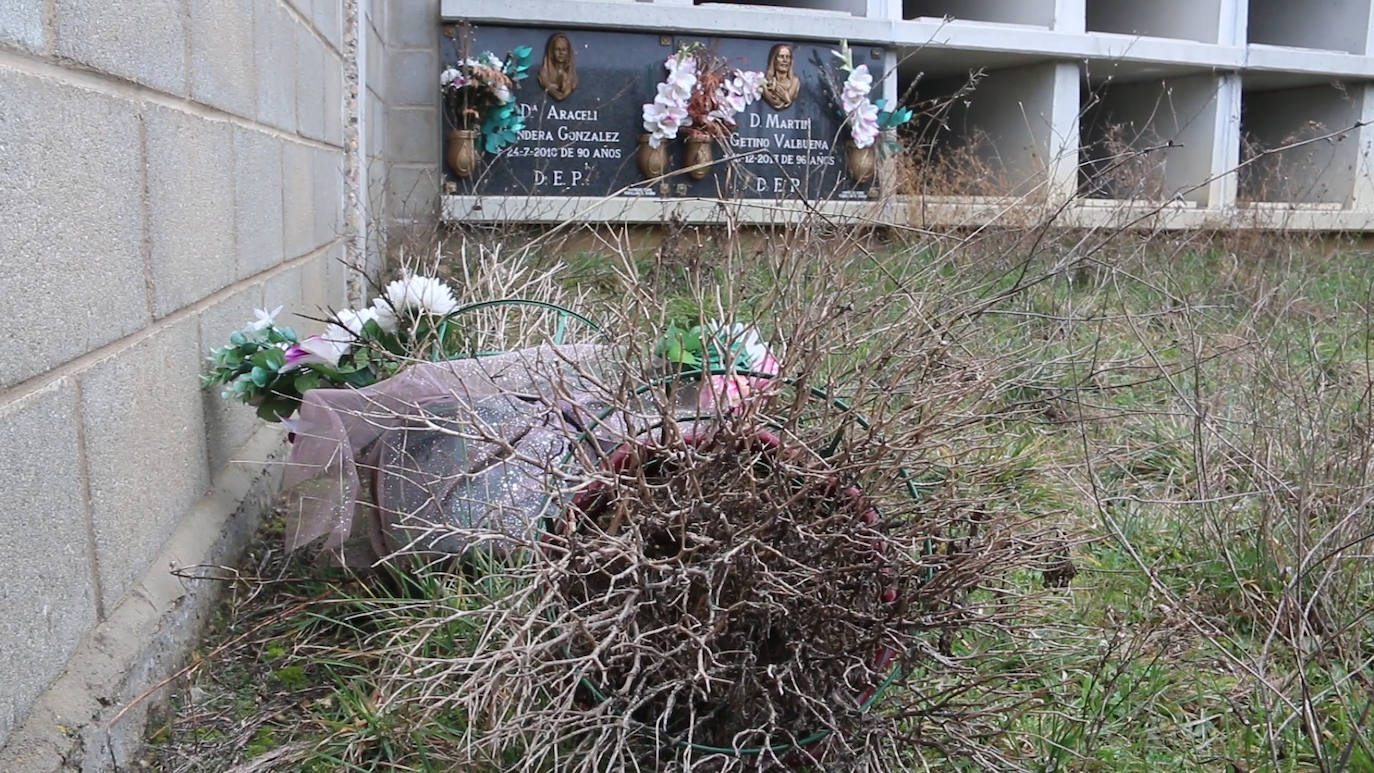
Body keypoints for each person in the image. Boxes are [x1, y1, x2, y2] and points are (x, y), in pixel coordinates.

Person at [538, 33, 578, 101]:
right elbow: (558, 96)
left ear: (568, 52)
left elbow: (561, 96)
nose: (561, 53)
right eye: (557, 49)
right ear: (552, 52)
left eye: (564, 50)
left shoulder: (572, 78)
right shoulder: (544, 75)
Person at [762, 43, 800, 110]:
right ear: (774, 60)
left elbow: (787, 100)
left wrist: (785, 97)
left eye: (787, 57)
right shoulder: (765, 83)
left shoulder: (795, 82)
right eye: (781, 56)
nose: (785, 60)